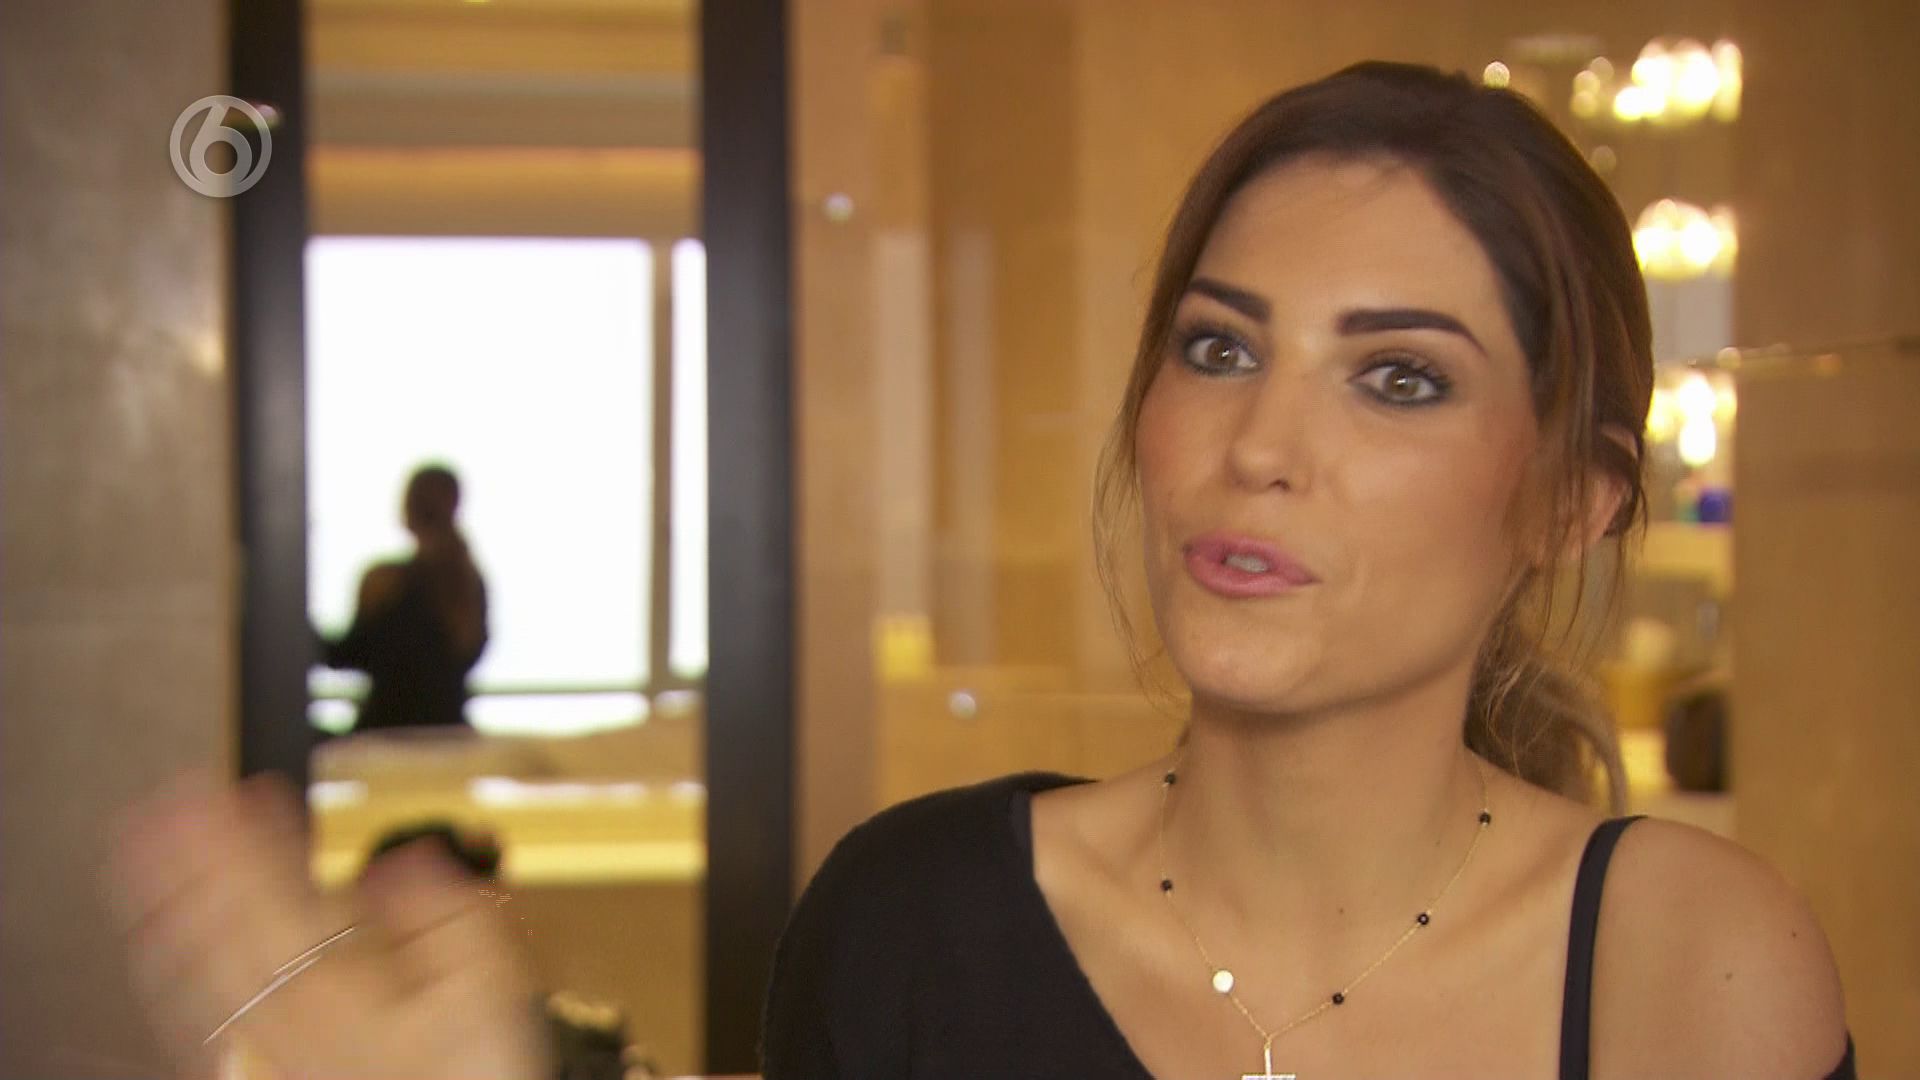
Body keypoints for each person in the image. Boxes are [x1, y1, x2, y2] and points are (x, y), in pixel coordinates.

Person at [106, 61, 1852, 1080]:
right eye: (1220, 349)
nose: (1260, 442)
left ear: (1572, 501)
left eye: (1397, 377)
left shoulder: (1689, 965)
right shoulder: (908, 923)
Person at [318, 464, 489, 732]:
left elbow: (351, 653)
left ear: (408, 508)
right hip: (448, 733)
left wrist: (290, 630)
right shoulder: (468, 584)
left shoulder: (388, 582)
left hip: (387, 733)